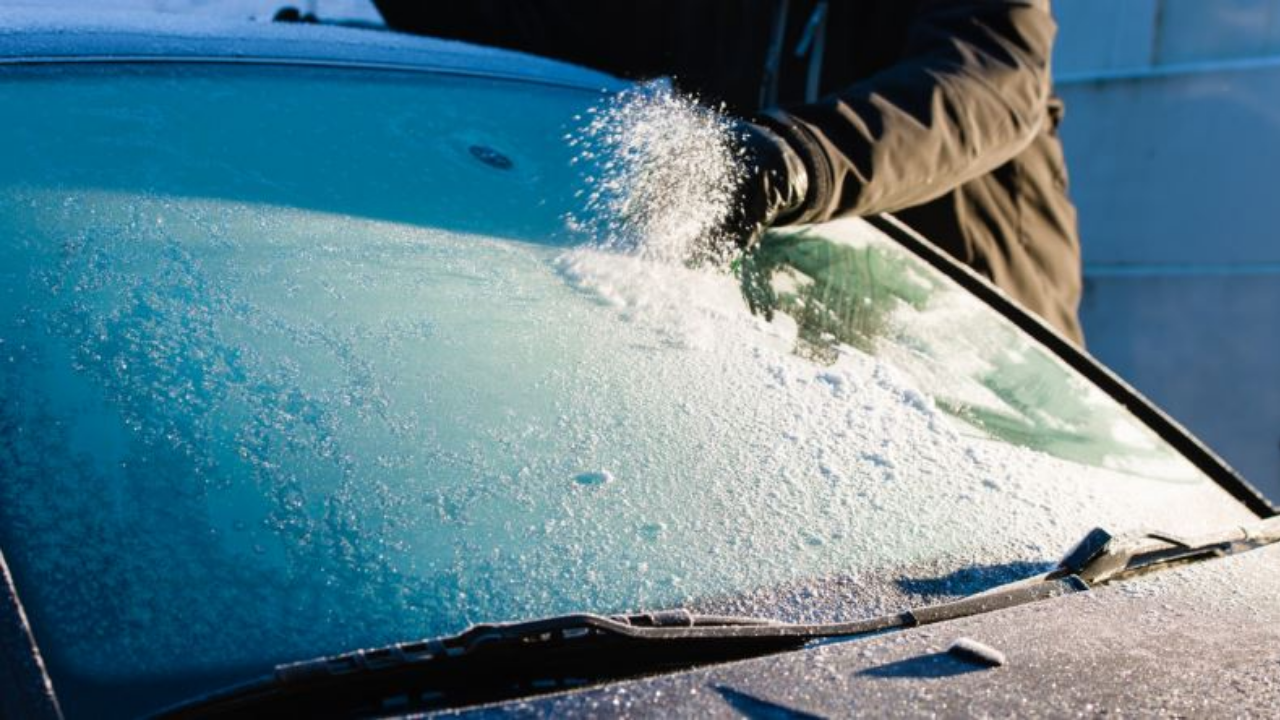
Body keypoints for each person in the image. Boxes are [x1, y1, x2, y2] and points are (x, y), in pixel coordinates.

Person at [373, 0, 1084, 344]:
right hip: (812, 346)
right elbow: (549, 26)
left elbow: (993, 79)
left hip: (984, 339)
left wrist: (794, 159)